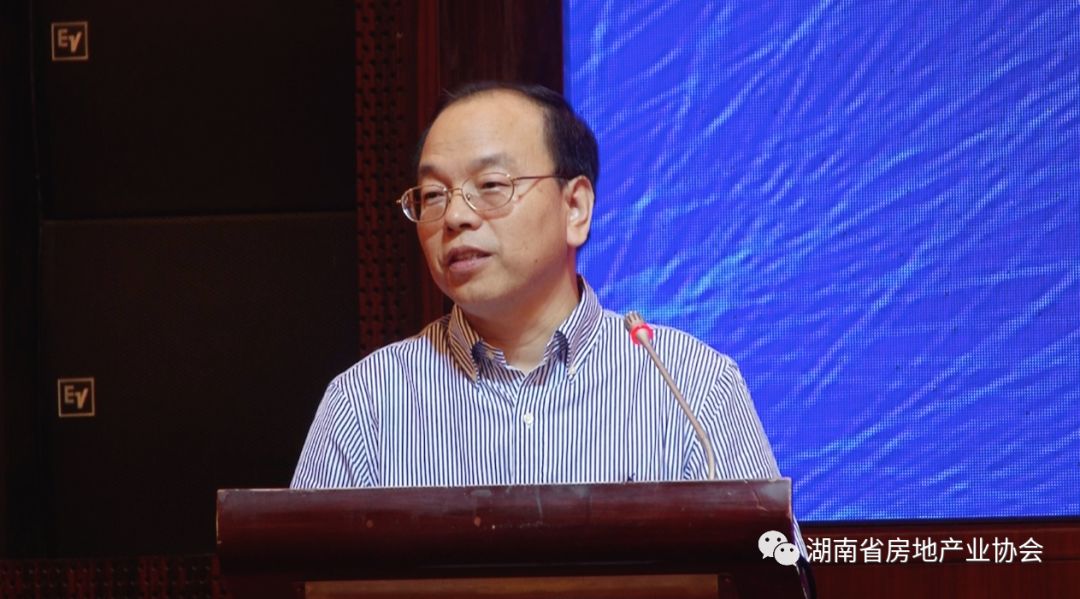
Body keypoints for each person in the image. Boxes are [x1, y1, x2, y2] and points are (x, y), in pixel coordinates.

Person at [291, 82, 785, 490]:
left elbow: (771, 561)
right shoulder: (367, 404)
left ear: (575, 208)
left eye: (491, 186)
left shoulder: (692, 387)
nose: (455, 216)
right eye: (434, 194)